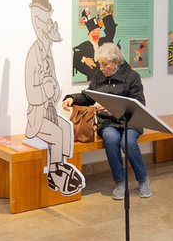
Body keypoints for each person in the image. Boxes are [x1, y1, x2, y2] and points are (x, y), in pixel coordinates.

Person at [62, 43, 151, 200]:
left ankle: (143, 180)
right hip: (109, 123)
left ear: (116, 62)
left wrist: (117, 110)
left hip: (130, 121)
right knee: (110, 139)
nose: (101, 68)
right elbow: (88, 97)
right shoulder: (99, 77)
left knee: (128, 143)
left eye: (105, 64)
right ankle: (119, 182)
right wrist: (71, 98)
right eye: (100, 64)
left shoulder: (132, 77)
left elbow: (139, 105)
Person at [24, 0, 85, 196]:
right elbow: (32, 94)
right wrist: (46, 91)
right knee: (57, 132)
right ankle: (54, 171)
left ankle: (59, 166)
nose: (49, 24)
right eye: (44, 19)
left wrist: (54, 90)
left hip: (49, 111)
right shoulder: (34, 54)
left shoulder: (46, 50)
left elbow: (54, 84)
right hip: (38, 116)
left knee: (65, 128)